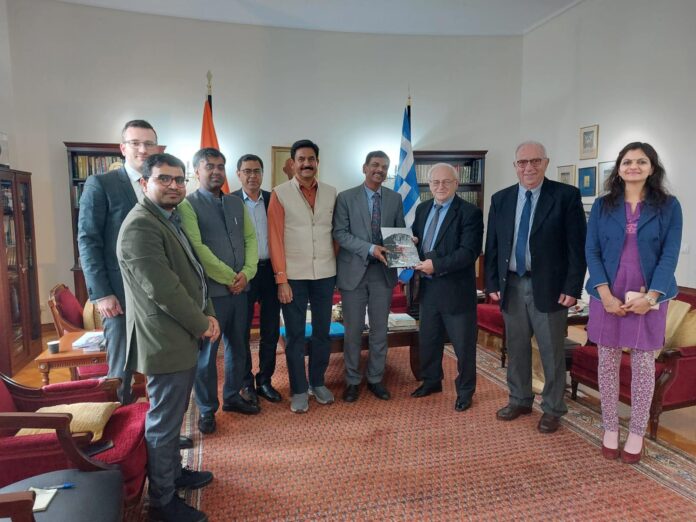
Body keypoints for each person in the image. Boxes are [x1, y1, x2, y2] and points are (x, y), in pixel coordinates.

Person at [117, 153, 218, 522]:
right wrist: (201, 322)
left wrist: (207, 312)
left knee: (174, 417)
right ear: (145, 183)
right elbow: (164, 289)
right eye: (164, 179)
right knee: (163, 422)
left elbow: (194, 272)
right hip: (164, 338)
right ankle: (162, 502)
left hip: (180, 334)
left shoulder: (167, 218)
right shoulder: (140, 226)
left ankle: (174, 474)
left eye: (179, 179)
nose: (174, 185)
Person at [585, 142, 682, 463]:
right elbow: (592, 250)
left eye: (641, 161)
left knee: (642, 366)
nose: (634, 167)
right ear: (619, 168)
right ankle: (610, 428)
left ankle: (637, 433)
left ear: (652, 168)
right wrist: (604, 294)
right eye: (627, 161)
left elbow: (669, 255)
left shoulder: (669, 206)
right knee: (607, 364)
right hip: (607, 295)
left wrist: (651, 297)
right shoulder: (603, 205)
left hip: (649, 296)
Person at [485, 141, 586, 433]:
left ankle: (553, 408)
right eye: (522, 162)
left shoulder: (566, 196)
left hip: (551, 287)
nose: (528, 167)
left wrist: (573, 287)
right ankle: (519, 399)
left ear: (546, 163)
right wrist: (492, 282)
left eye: (535, 161)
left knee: (551, 351)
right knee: (517, 348)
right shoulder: (501, 199)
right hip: (512, 285)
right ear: (515, 166)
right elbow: (493, 245)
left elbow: (576, 247)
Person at [179, 148, 259, 435]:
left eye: (220, 166)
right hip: (211, 295)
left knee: (239, 346)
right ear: (196, 172)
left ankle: (233, 397)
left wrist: (247, 273)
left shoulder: (236, 202)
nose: (216, 171)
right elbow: (197, 248)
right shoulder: (187, 206)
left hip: (240, 291)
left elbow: (250, 239)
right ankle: (207, 408)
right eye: (209, 166)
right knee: (207, 354)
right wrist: (229, 277)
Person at [77, 119, 156, 406]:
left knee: (158, 364)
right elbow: (88, 240)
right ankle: (119, 421)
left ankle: (154, 423)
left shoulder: (160, 185)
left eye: (149, 143)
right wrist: (101, 294)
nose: (143, 149)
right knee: (121, 368)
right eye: (136, 143)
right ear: (123, 148)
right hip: (119, 295)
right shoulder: (102, 184)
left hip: (157, 293)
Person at [268, 139, 337, 413]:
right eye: (301, 159)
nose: (306, 164)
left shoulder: (331, 193)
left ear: (317, 162)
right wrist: (281, 279)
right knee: (295, 335)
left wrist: (335, 266)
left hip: (325, 273)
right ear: (293, 163)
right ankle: (298, 388)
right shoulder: (280, 193)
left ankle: (317, 382)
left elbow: (335, 234)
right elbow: (275, 238)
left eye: (311, 159)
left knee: (322, 332)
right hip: (293, 276)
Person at [333, 151, 405, 402]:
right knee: (352, 331)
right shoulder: (345, 197)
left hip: (382, 274)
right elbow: (340, 233)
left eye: (384, 167)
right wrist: (370, 248)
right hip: (353, 272)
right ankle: (352, 380)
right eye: (375, 165)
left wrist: (407, 243)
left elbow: (398, 232)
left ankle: (375, 379)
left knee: (379, 330)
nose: (380, 170)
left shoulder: (395, 198)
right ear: (364, 168)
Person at [411, 163, 483, 411]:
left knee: (463, 346)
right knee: (429, 340)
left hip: (456, 291)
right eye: (435, 182)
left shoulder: (470, 213)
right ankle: (431, 381)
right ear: (429, 185)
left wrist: (437, 265)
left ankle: (465, 391)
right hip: (427, 289)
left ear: (456, 184)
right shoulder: (422, 209)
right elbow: (419, 243)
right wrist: (411, 244)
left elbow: (468, 252)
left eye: (446, 182)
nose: (440, 186)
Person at [232, 154, 283, 404]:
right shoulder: (229, 201)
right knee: (241, 331)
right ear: (238, 174)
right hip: (243, 274)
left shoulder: (273, 199)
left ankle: (264, 380)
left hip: (270, 272)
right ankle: (245, 383)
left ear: (263, 174)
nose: (252, 176)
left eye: (257, 171)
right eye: (247, 171)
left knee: (270, 330)